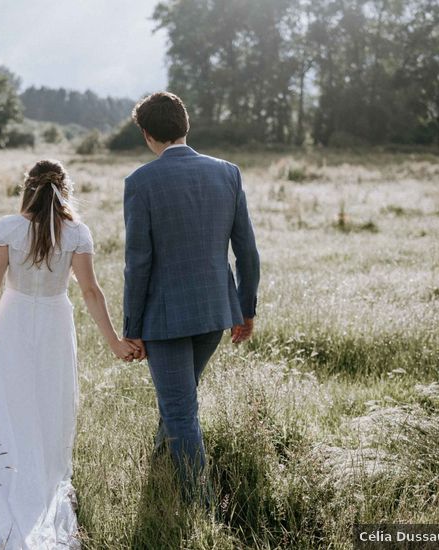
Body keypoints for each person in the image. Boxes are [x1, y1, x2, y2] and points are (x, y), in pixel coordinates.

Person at [0, 160, 139, 549]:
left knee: (11, 395)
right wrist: (114, 342)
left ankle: (9, 465)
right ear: (66, 189)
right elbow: (91, 292)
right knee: (50, 397)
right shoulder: (76, 232)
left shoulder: (7, 228)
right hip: (53, 322)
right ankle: (42, 471)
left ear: (27, 188)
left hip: (11, 320)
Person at [122, 92, 261, 502]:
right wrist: (245, 308)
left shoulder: (140, 182)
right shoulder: (228, 173)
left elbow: (138, 263)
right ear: (186, 125)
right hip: (215, 312)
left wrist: (132, 328)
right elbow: (247, 250)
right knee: (179, 400)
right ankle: (159, 472)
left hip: (164, 321)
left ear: (148, 135)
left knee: (181, 410)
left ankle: (199, 508)